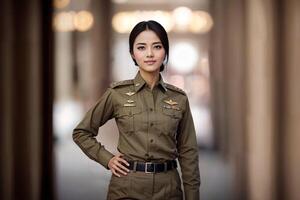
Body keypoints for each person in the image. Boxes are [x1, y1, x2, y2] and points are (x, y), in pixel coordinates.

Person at [73, 20, 200, 200]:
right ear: (132, 54)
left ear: (165, 53)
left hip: (169, 189)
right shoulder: (117, 94)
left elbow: (189, 152)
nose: (149, 54)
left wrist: (193, 196)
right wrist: (107, 159)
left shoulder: (179, 98)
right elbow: (81, 132)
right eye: (141, 48)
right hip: (126, 188)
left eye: (157, 46)